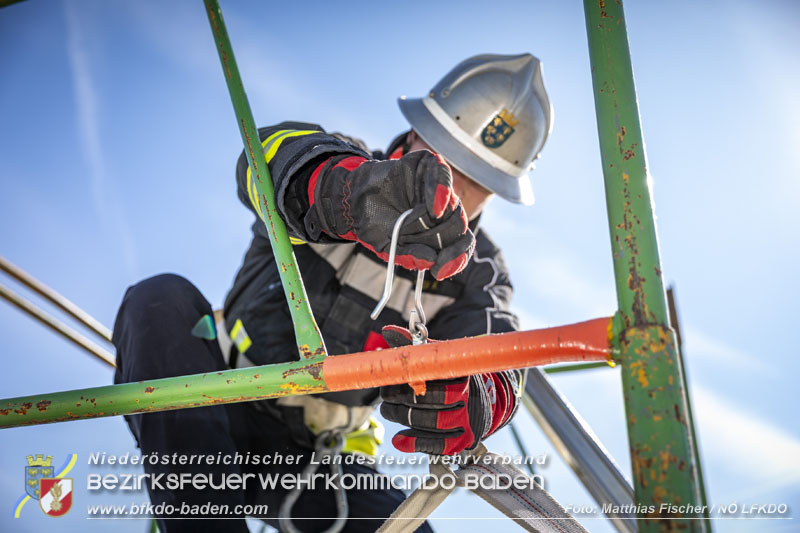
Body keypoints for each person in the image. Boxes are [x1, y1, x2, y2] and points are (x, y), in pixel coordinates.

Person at [113, 53, 553, 532]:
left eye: (480, 179)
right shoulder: (338, 165)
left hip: (328, 466)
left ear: (496, 193)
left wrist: (476, 398)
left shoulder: (479, 274)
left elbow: (500, 355)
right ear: (414, 135)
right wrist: (347, 195)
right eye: (446, 155)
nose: (455, 185)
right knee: (157, 302)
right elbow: (265, 159)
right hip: (217, 410)